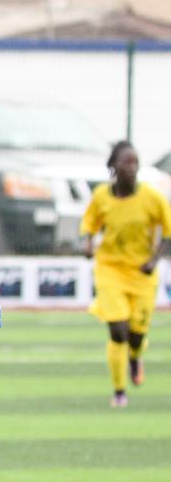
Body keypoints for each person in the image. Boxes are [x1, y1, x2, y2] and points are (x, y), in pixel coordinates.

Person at [80, 140, 169, 408]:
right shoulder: (101, 197)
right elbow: (89, 224)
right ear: (113, 166)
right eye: (126, 162)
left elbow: (167, 232)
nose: (131, 167)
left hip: (142, 272)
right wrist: (86, 243)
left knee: (137, 334)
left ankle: (135, 356)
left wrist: (155, 259)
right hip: (110, 269)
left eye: (135, 162)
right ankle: (119, 392)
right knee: (118, 329)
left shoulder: (152, 198)